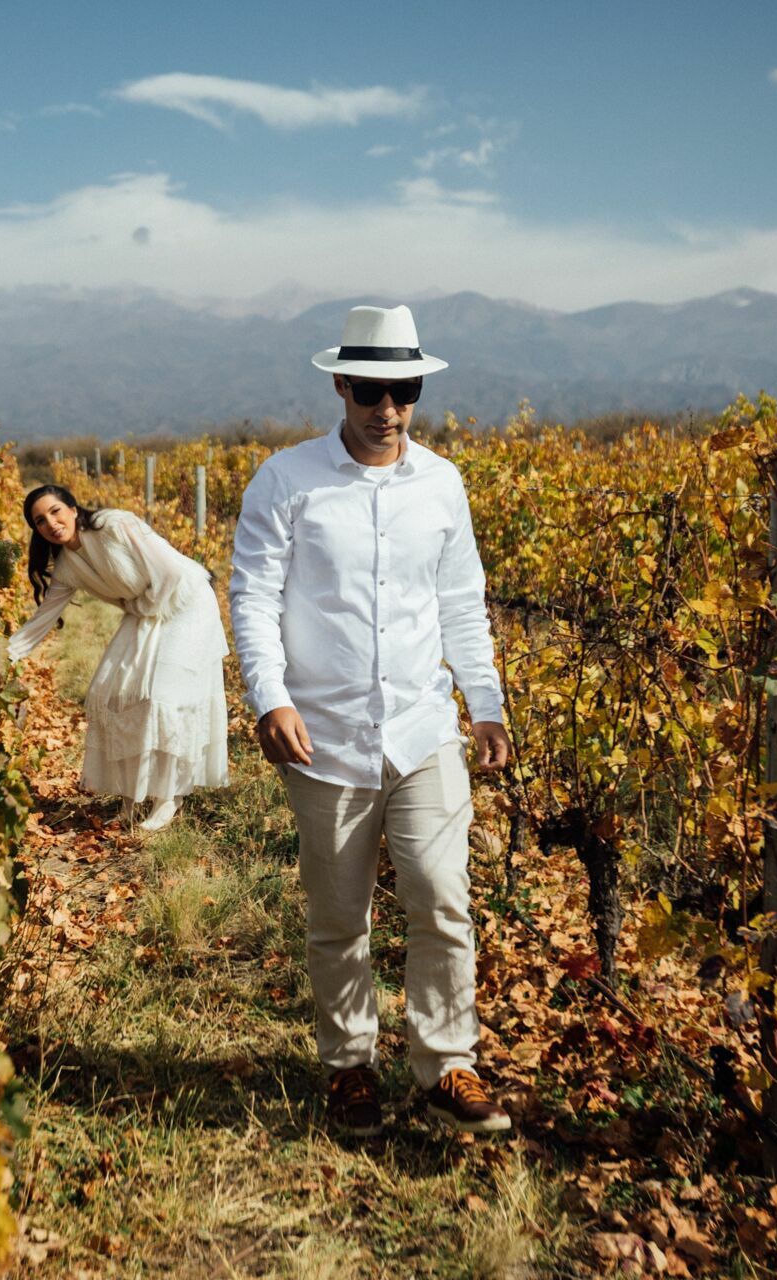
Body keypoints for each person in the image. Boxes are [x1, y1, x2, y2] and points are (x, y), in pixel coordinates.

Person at [229, 304, 514, 1138]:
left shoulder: (443, 485)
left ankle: (447, 1063)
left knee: (442, 897)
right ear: (341, 386)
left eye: (404, 391)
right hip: (324, 737)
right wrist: (270, 698)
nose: (387, 408)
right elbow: (252, 597)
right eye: (370, 391)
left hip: (423, 730)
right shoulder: (286, 481)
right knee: (338, 917)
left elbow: (461, 602)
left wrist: (486, 703)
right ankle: (350, 1066)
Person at [9, 483, 229, 830]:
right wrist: (3, 657)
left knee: (163, 697)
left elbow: (170, 572)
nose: (51, 523)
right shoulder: (67, 567)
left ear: (73, 508)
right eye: (40, 521)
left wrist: (142, 607)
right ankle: (133, 795)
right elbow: (42, 620)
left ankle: (168, 798)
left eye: (55, 511)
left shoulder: (115, 525)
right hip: (146, 610)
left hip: (185, 602)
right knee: (112, 695)